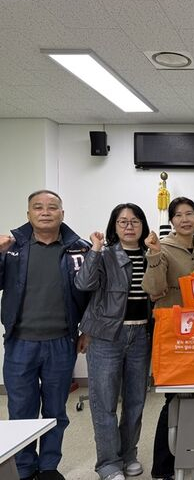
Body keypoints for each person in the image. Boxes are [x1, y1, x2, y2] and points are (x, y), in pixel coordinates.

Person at [0, 190, 90, 480]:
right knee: (20, 411)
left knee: (55, 411)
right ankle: (24, 468)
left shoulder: (79, 249)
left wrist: (87, 329)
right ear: (28, 215)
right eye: (38, 207)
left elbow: (94, 293)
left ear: (62, 213)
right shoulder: (12, 248)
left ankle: (49, 467)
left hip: (61, 343)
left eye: (52, 207)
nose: (45, 212)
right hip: (19, 343)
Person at [74, 203, 152, 480]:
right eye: (123, 221)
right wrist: (95, 250)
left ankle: (129, 454)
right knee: (104, 402)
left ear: (143, 225)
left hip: (141, 335)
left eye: (135, 221)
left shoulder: (151, 255)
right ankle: (108, 463)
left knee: (135, 402)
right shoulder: (104, 254)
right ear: (114, 226)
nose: (129, 226)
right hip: (107, 337)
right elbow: (83, 284)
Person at [142, 197, 194, 480]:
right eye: (179, 215)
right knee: (175, 399)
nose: (185, 219)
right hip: (174, 331)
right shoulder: (162, 247)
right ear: (172, 221)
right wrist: (154, 256)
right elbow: (153, 288)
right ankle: (164, 467)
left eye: (190, 214)